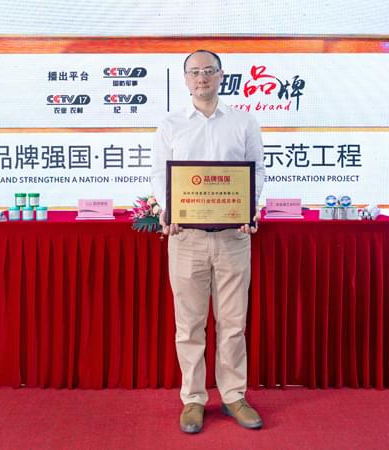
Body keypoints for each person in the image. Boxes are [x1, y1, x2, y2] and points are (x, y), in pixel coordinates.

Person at [151, 49, 265, 433]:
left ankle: (234, 396)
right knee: (189, 325)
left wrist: (248, 209)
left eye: (209, 71)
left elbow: (256, 171)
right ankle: (194, 399)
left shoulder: (243, 121)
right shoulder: (170, 124)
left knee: (233, 323)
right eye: (195, 72)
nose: (202, 78)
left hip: (234, 237)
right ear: (185, 79)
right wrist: (169, 210)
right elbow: (160, 175)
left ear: (221, 76)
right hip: (186, 239)